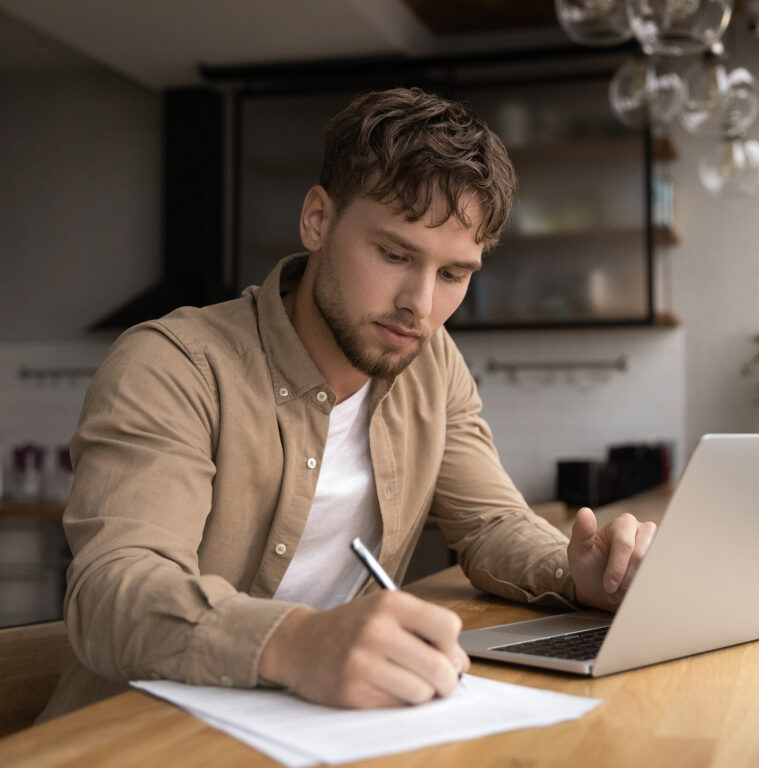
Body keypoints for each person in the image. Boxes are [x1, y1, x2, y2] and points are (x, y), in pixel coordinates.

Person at [40, 87, 656, 720]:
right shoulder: (173, 365)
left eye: (453, 274)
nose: (420, 305)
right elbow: (113, 593)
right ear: (317, 220)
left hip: (313, 724)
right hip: (138, 735)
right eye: (393, 254)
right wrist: (295, 639)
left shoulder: (432, 361)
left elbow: (492, 523)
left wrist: (575, 571)